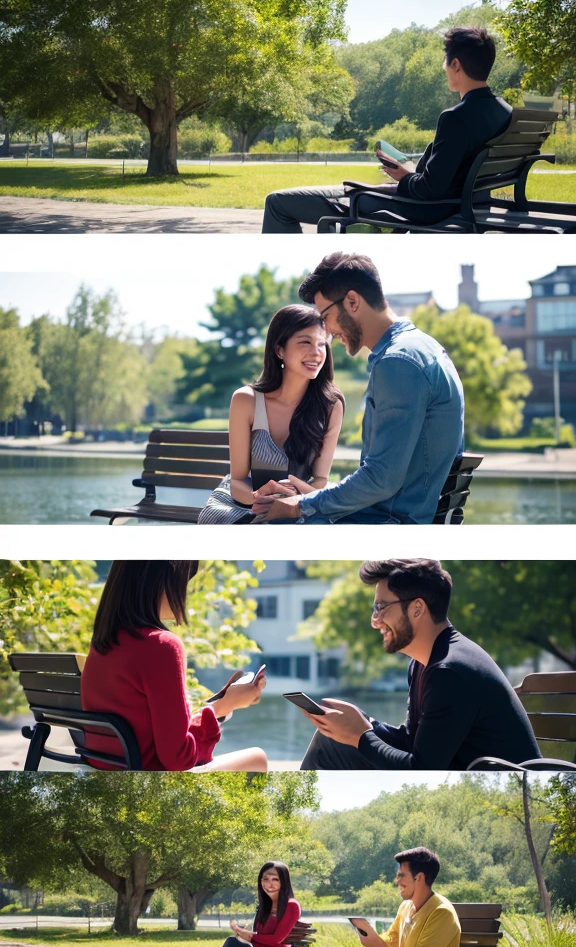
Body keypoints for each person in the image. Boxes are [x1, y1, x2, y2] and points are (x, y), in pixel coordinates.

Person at [252, 253, 464, 525]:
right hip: (390, 514)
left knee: (266, 518)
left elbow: (381, 481)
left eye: (325, 317)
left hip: (388, 522)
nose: (325, 333)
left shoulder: (398, 362)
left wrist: (302, 506)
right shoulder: (422, 347)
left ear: (352, 302)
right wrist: (313, 496)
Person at [262, 26, 512, 233]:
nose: (444, 67)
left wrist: (404, 176)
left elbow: (429, 190)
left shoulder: (455, 118)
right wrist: (411, 172)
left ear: (455, 64)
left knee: (277, 202)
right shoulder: (505, 111)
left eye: (446, 62)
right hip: (463, 204)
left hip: (426, 208)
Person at [300, 559, 542, 770]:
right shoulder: (424, 663)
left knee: (336, 746)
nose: (375, 621)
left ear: (417, 609)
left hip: (491, 787)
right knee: (331, 741)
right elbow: (412, 741)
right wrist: (365, 724)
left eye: (381, 607)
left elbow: (421, 768)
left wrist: (360, 736)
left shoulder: (450, 672)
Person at [81, 560, 267, 771]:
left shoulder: (103, 643)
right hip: (147, 780)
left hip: (106, 770)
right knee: (257, 758)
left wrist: (221, 707)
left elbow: (159, 736)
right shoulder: (161, 646)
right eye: (184, 580)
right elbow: (178, 758)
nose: (185, 591)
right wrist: (223, 707)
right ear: (161, 580)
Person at [197, 304, 344, 524]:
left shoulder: (331, 404)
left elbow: (321, 479)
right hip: (244, 502)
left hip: (302, 501)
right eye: (305, 342)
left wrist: (294, 500)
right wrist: (259, 498)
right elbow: (237, 480)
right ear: (279, 350)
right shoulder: (245, 400)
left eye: (322, 344)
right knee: (216, 521)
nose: (316, 352)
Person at [336, 847, 460, 947]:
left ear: (419, 878)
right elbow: (392, 943)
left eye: (402, 876)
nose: (397, 881)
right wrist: (375, 940)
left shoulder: (442, 913)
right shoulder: (406, 907)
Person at [185, 861, 301, 947]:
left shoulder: (291, 906)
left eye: (275, 879)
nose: (269, 884)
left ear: (284, 881)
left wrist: (250, 937)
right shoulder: (265, 906)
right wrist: (244, 935)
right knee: (231, 944)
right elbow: (258, 936)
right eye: (265, 879)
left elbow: (276, 939)